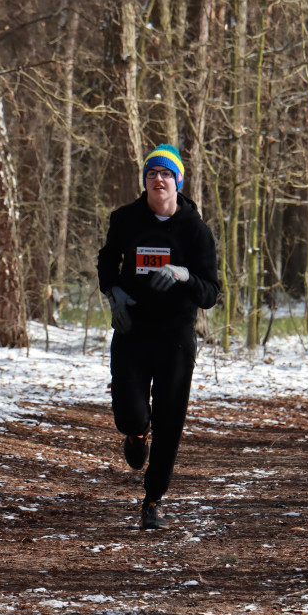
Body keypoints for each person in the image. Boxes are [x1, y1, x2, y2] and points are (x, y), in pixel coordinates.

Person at [97, 144, 220, 530]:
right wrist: (113, 292)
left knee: (169, 421)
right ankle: (135, 434)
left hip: (175, 339)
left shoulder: (196, 231)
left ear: (178, 181)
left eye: (166, 173)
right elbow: (107, 261)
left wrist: (184, 275)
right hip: (132, 331)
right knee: (131, 414)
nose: (158, 179)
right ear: (145, 181)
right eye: (152, 173)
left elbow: (212, 293)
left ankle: (153, 501)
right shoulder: (126, 219)